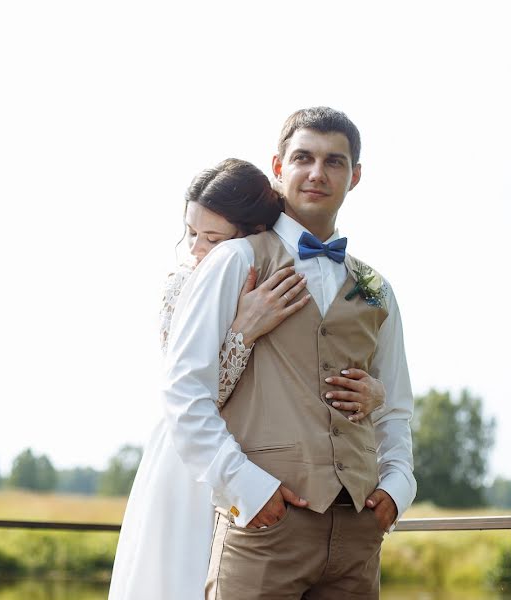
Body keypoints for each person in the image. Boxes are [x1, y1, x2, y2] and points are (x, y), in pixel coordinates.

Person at [162, 108, 416, 599]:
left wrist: (397, 485)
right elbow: (183, 392)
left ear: (355, 176)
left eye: (334, 162)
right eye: (303, 158)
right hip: (264, 530)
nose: (317, 173)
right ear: (278, 167)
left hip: (358, 536)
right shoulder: (234, 261)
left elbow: (398, 406)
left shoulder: (377, 289)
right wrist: (247, 491)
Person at [108, 158, 386, 599]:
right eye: (191, 232)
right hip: (194, 458)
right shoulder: (182, 283)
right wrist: (244, 332)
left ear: (253, 234)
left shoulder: (274, 268)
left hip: (262, 465)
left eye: (212, 238)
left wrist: (376, 392)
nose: (196, 249)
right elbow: (192, 392)